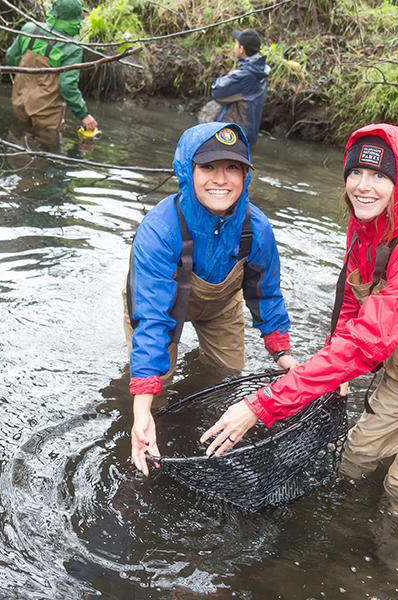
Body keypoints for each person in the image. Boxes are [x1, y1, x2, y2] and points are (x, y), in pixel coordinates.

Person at [201, 123, 398, 521]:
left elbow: (365, 345)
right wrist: (337, 363)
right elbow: (353, 297)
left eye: (381, 176)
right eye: (356, 173)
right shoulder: (365, 221)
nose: (363, 186)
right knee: (356, 455)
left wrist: (261, 406)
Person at [126, 122, 298, 476]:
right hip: (161, 307)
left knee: (225, 376)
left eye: (232, 168)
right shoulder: (159, 230)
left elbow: (265, 291)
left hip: (221, 306)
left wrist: (281, 352)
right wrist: (141, 411)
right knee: (158, 385)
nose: (221, 179)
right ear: (187, 171)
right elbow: (152, 321)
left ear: (245, 175)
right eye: (208, 167)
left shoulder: (258, 229)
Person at [4, 0, 98, 152]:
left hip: (19, 103)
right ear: (76, 17)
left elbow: (10, 58)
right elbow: (67, 86)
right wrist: (84, 115)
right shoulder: (72, 48)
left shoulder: (29, 29)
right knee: (45, 159)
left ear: (53, 11)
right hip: (46, 117)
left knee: (17, 151)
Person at [210, 28, 270, 146]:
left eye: (236, 44)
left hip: (232, 137)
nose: (234, 47)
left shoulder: (246, 74)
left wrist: (228, 76)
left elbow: (216, 91)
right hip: (244, 136)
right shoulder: (260, 69)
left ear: (242, 49)